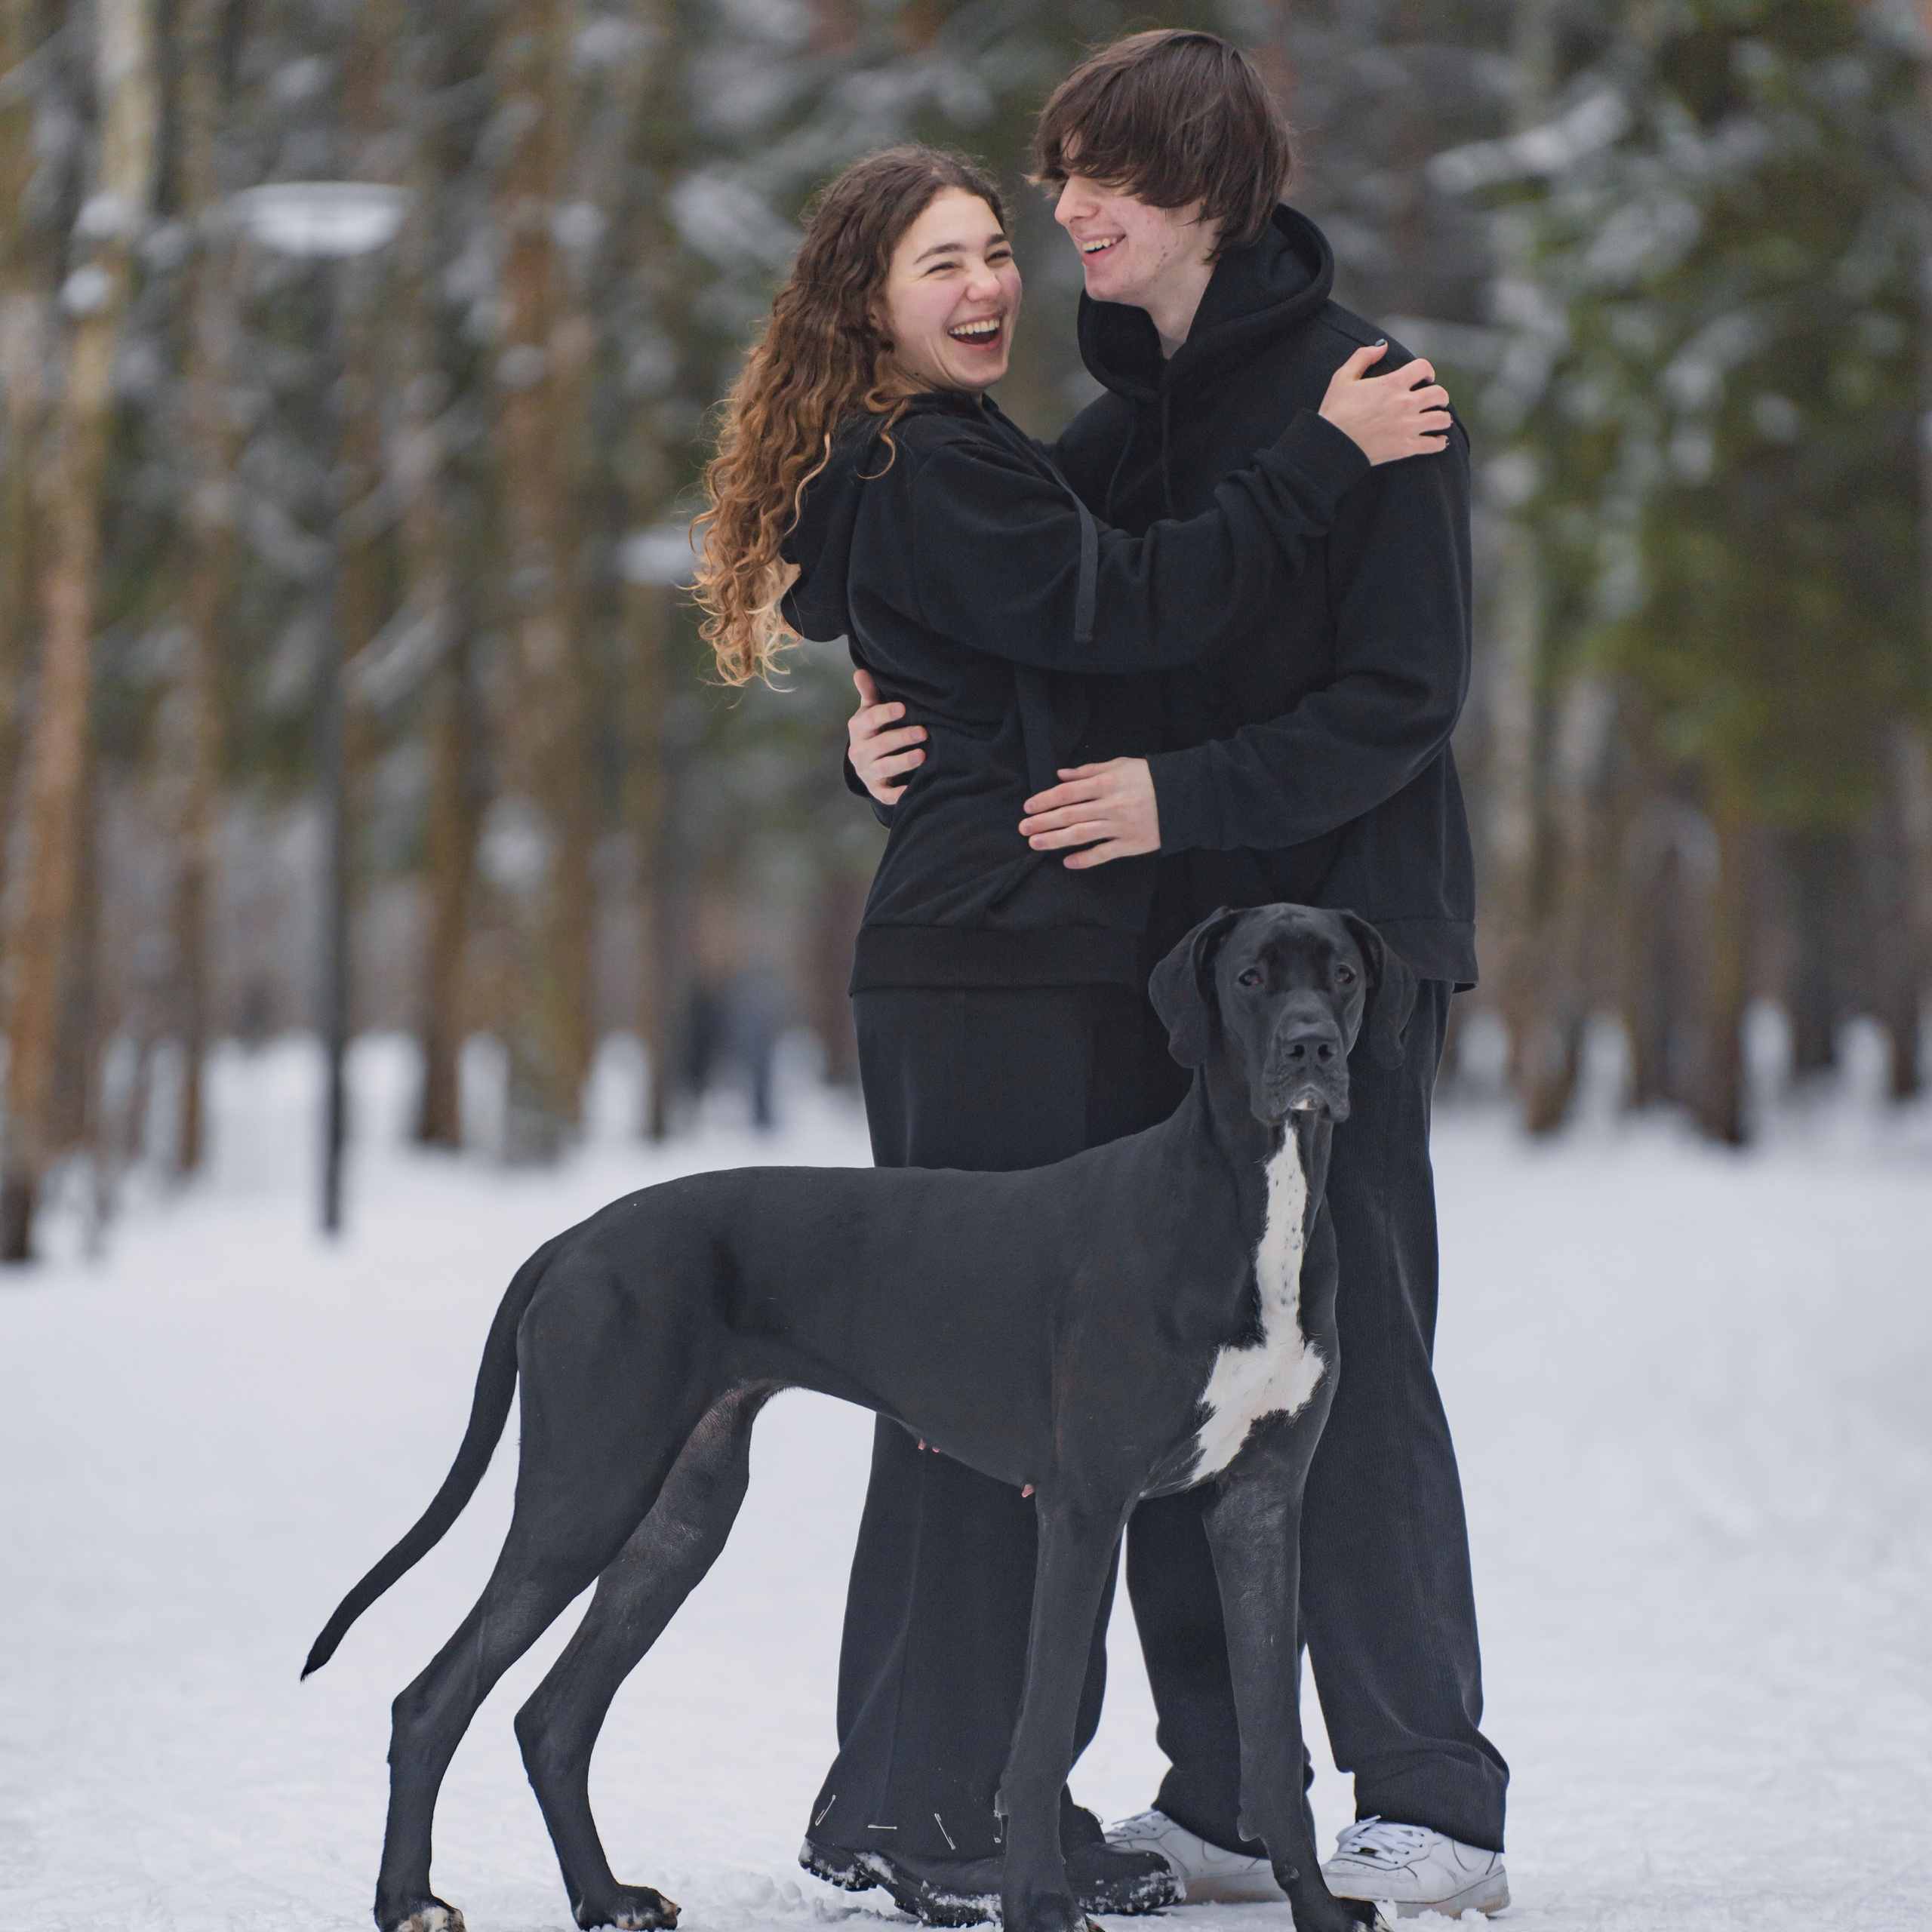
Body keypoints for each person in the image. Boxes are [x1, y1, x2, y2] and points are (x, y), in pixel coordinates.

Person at [691, 143, 1449, 1924]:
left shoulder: (931, 456)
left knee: (954, 1382)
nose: (986, 285)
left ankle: (897, 1790)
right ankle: (934, 1804)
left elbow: (1013, 638)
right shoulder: (930, 456)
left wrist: (906, 747)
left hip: (994, 949)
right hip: (998, 964)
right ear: (861, 302)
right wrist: (1328, 456)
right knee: (980, 1392)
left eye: (991, 253)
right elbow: (1133, 606)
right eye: (937, 263)